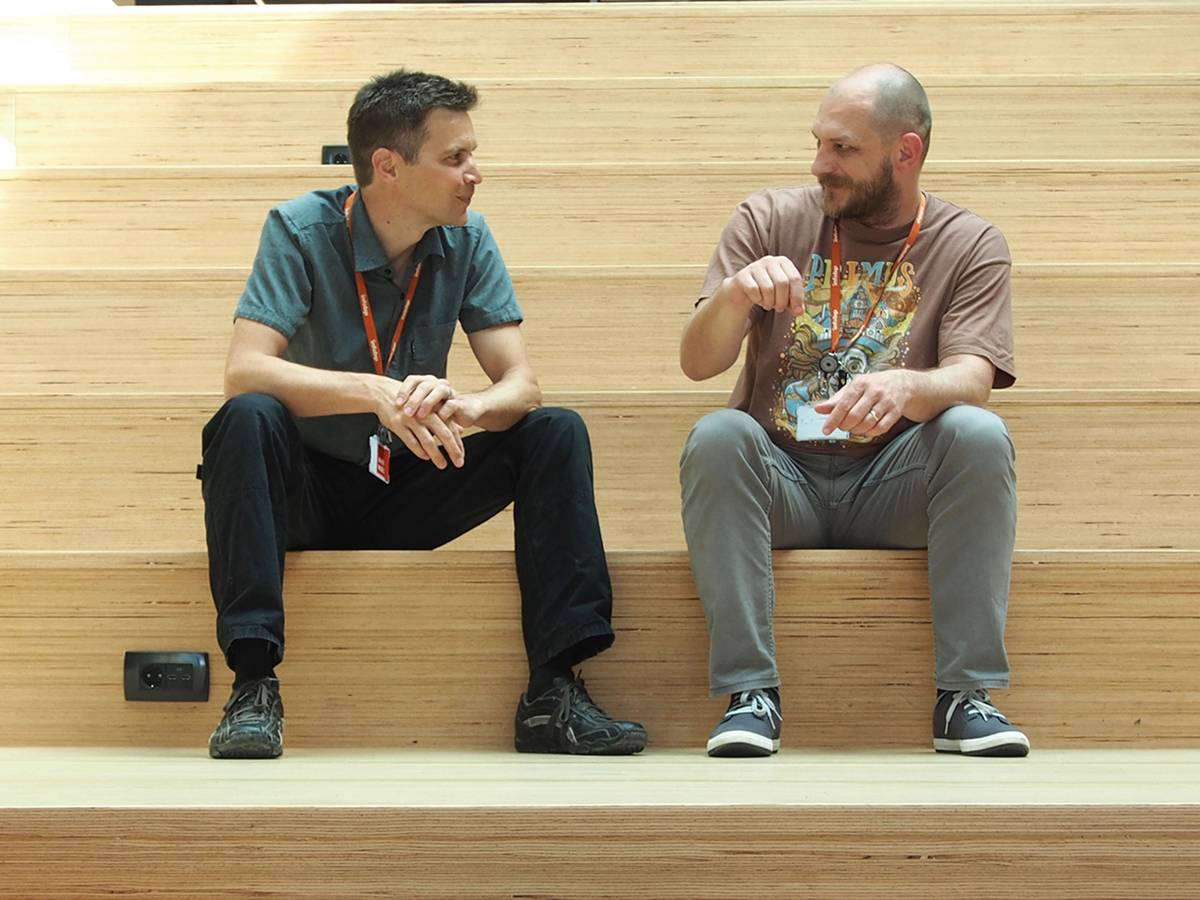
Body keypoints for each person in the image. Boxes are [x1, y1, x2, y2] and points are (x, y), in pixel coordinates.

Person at [198, 69, 646, 759]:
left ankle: (553, 695)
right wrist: (374, 390)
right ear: (389, 167)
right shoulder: (300, 227)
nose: (475, 174)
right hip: (307, 489)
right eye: (455, 158)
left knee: (555, 431)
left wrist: (470, 406)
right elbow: (244, 369)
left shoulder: (467, 238)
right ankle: (254, 686)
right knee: (246, 417)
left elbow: (521, 382)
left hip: (409, 480)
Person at [678, 63, 1029, 759]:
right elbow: (698, 362)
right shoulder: (769, 218)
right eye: (819, 143)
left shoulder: (969, 242)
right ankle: (750, 695)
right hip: (781, 479)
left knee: (978, 435)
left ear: (907, 152)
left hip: (893, 484)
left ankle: (965, 698)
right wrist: (735, 296)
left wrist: (909, 388)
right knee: (717, 435)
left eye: (843, 149)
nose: (820, 165)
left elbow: (974, 375)